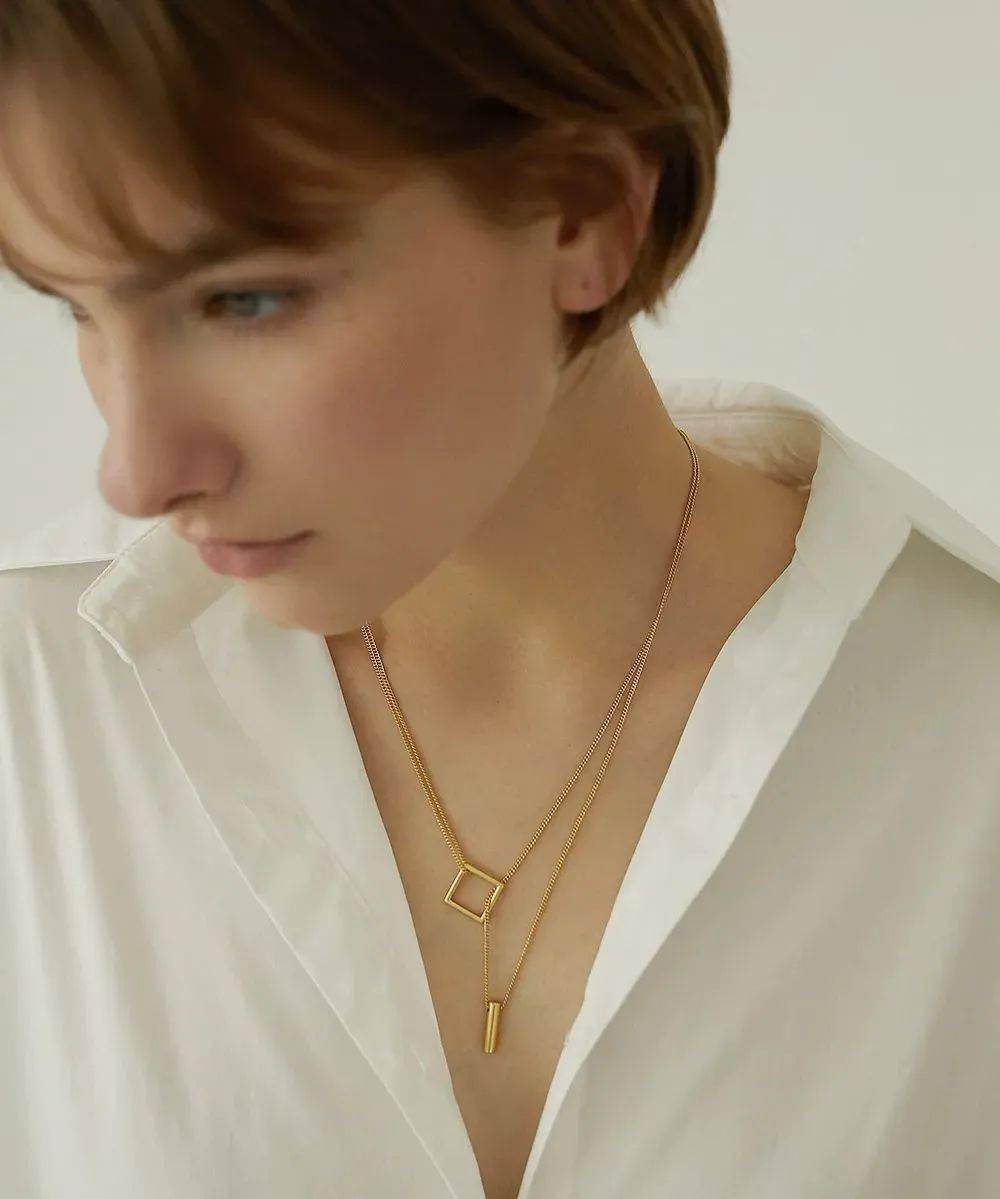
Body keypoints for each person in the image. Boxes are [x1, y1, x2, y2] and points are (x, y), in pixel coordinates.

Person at [0, 4, 997, 1198]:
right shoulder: (34, 697)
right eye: (76, 307)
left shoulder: (965, 730)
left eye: (244, 301)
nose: (135, 470)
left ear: (584, 214)